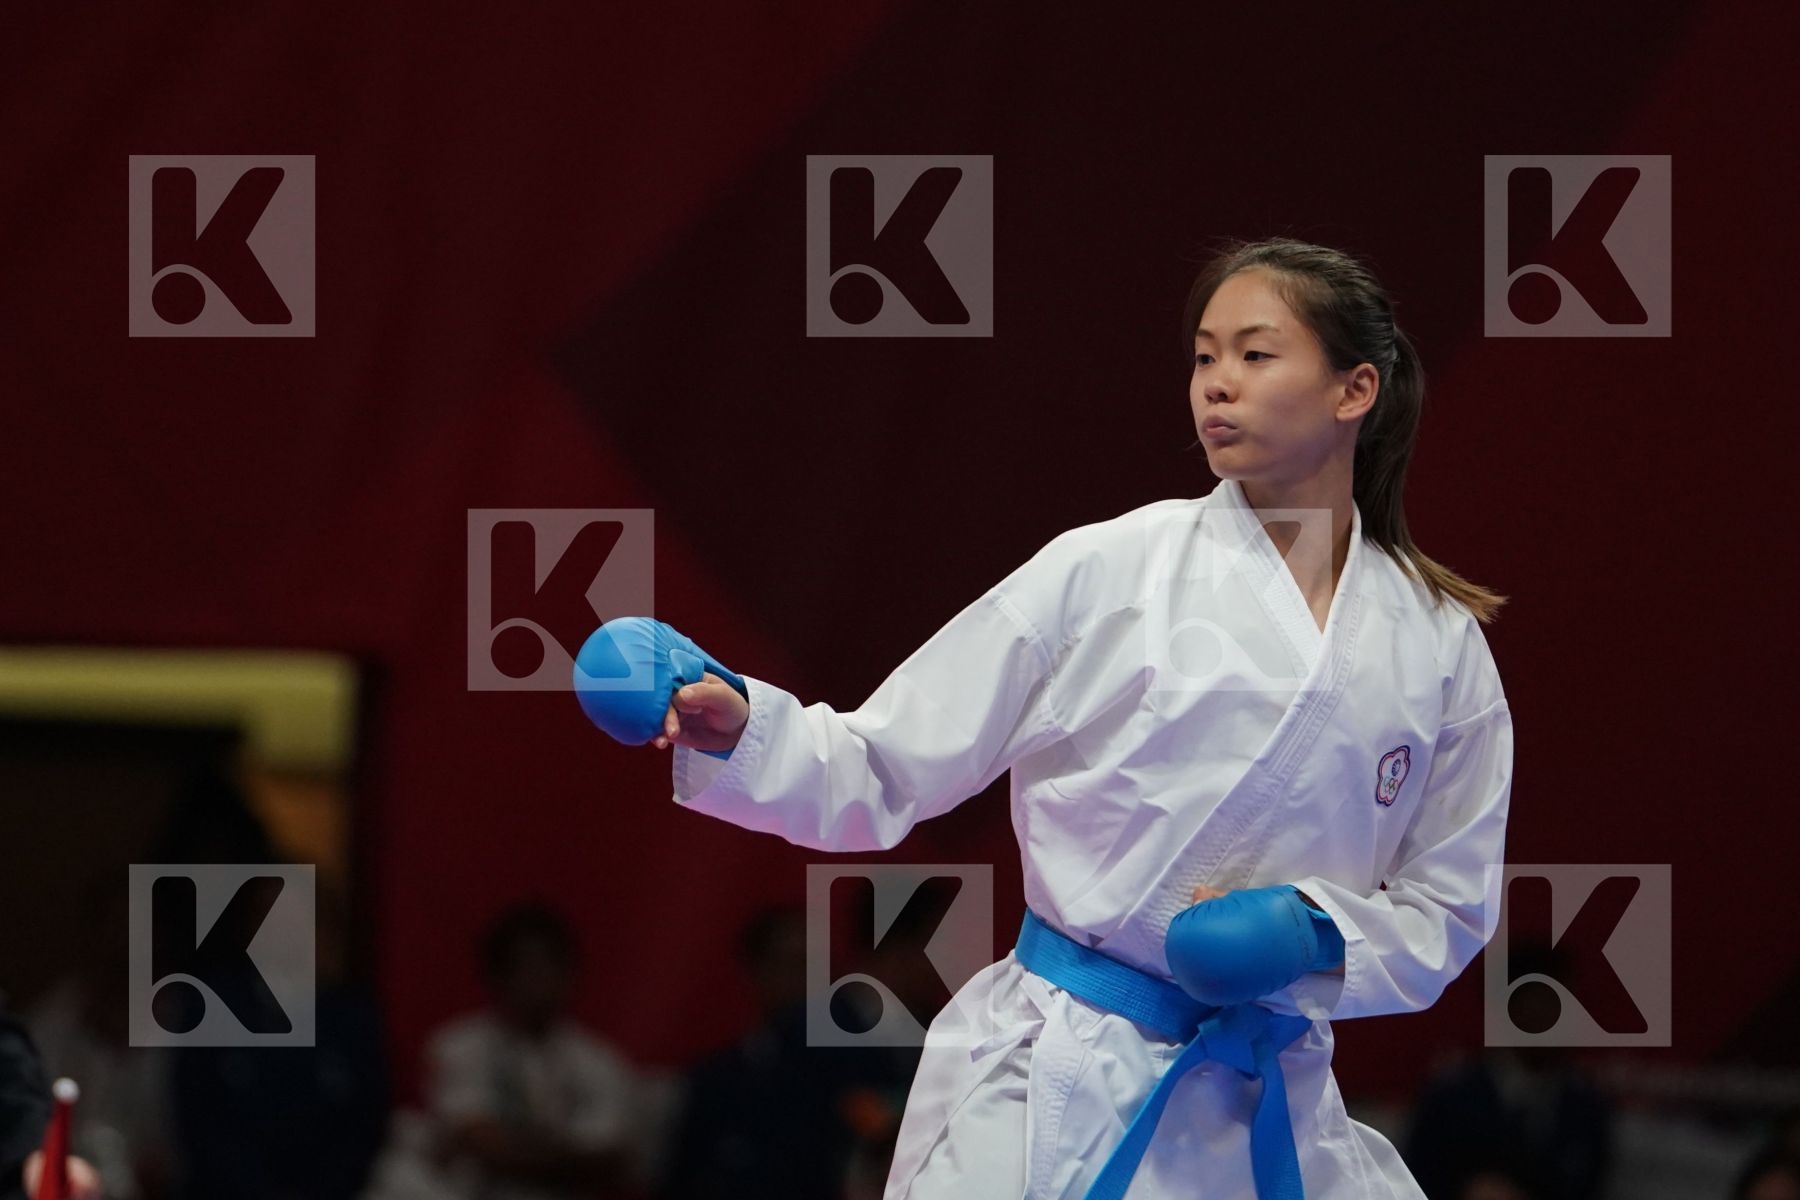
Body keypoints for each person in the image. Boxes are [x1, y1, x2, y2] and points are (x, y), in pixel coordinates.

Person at [623, 237, 1515, 1198]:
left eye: (1255, 356)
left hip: (1264, 1099)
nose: (1217, 384)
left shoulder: (1437, 645)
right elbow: (884, 761)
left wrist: (1318, 934)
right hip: (1057, 1078)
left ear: (1355, 390)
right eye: (1204, 357)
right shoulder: (1109, 571)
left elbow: (1448, 908)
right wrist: (747, 729)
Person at [424, 902, 641, 1200]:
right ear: (495, 976)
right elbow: (477, 1138)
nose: (539, 982)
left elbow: (609, 1158)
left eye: (550, 967)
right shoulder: (459, 1046)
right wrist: (565, 1158)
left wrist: (505, 1151)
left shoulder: (599, 1061)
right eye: (524, 968)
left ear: (571, 974)